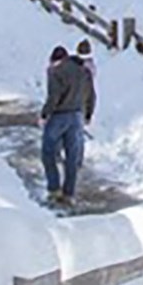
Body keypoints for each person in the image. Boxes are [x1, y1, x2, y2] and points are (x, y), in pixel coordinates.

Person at [40, 45, 96, 204]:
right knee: (72, 157)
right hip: (77, 116)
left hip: (59, 116)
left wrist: (45, 114)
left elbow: (54, 96)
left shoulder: (55, 71)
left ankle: (54, 189)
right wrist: (88, 114)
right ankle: (68, 193)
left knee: (48, 153)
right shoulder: (84, 71)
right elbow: (91, 95)